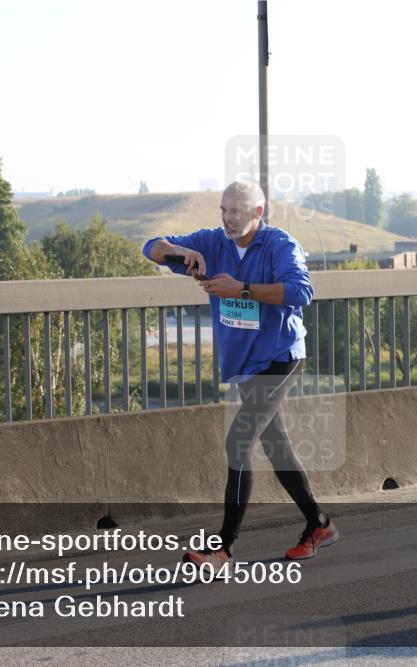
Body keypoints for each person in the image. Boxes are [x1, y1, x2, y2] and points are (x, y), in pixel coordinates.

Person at [142, 180, 337, 575]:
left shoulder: (280, 245)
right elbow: (152, 247)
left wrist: (242, 289)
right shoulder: (211, 243)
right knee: (277, 448)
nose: (228, 218)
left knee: (239, 440)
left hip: (281, 357)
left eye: (236, 211)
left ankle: (222, 549)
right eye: (223, 210)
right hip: (244, 364)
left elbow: (302, 292)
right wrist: (181, 251)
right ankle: (319, 525)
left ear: (257, 214)